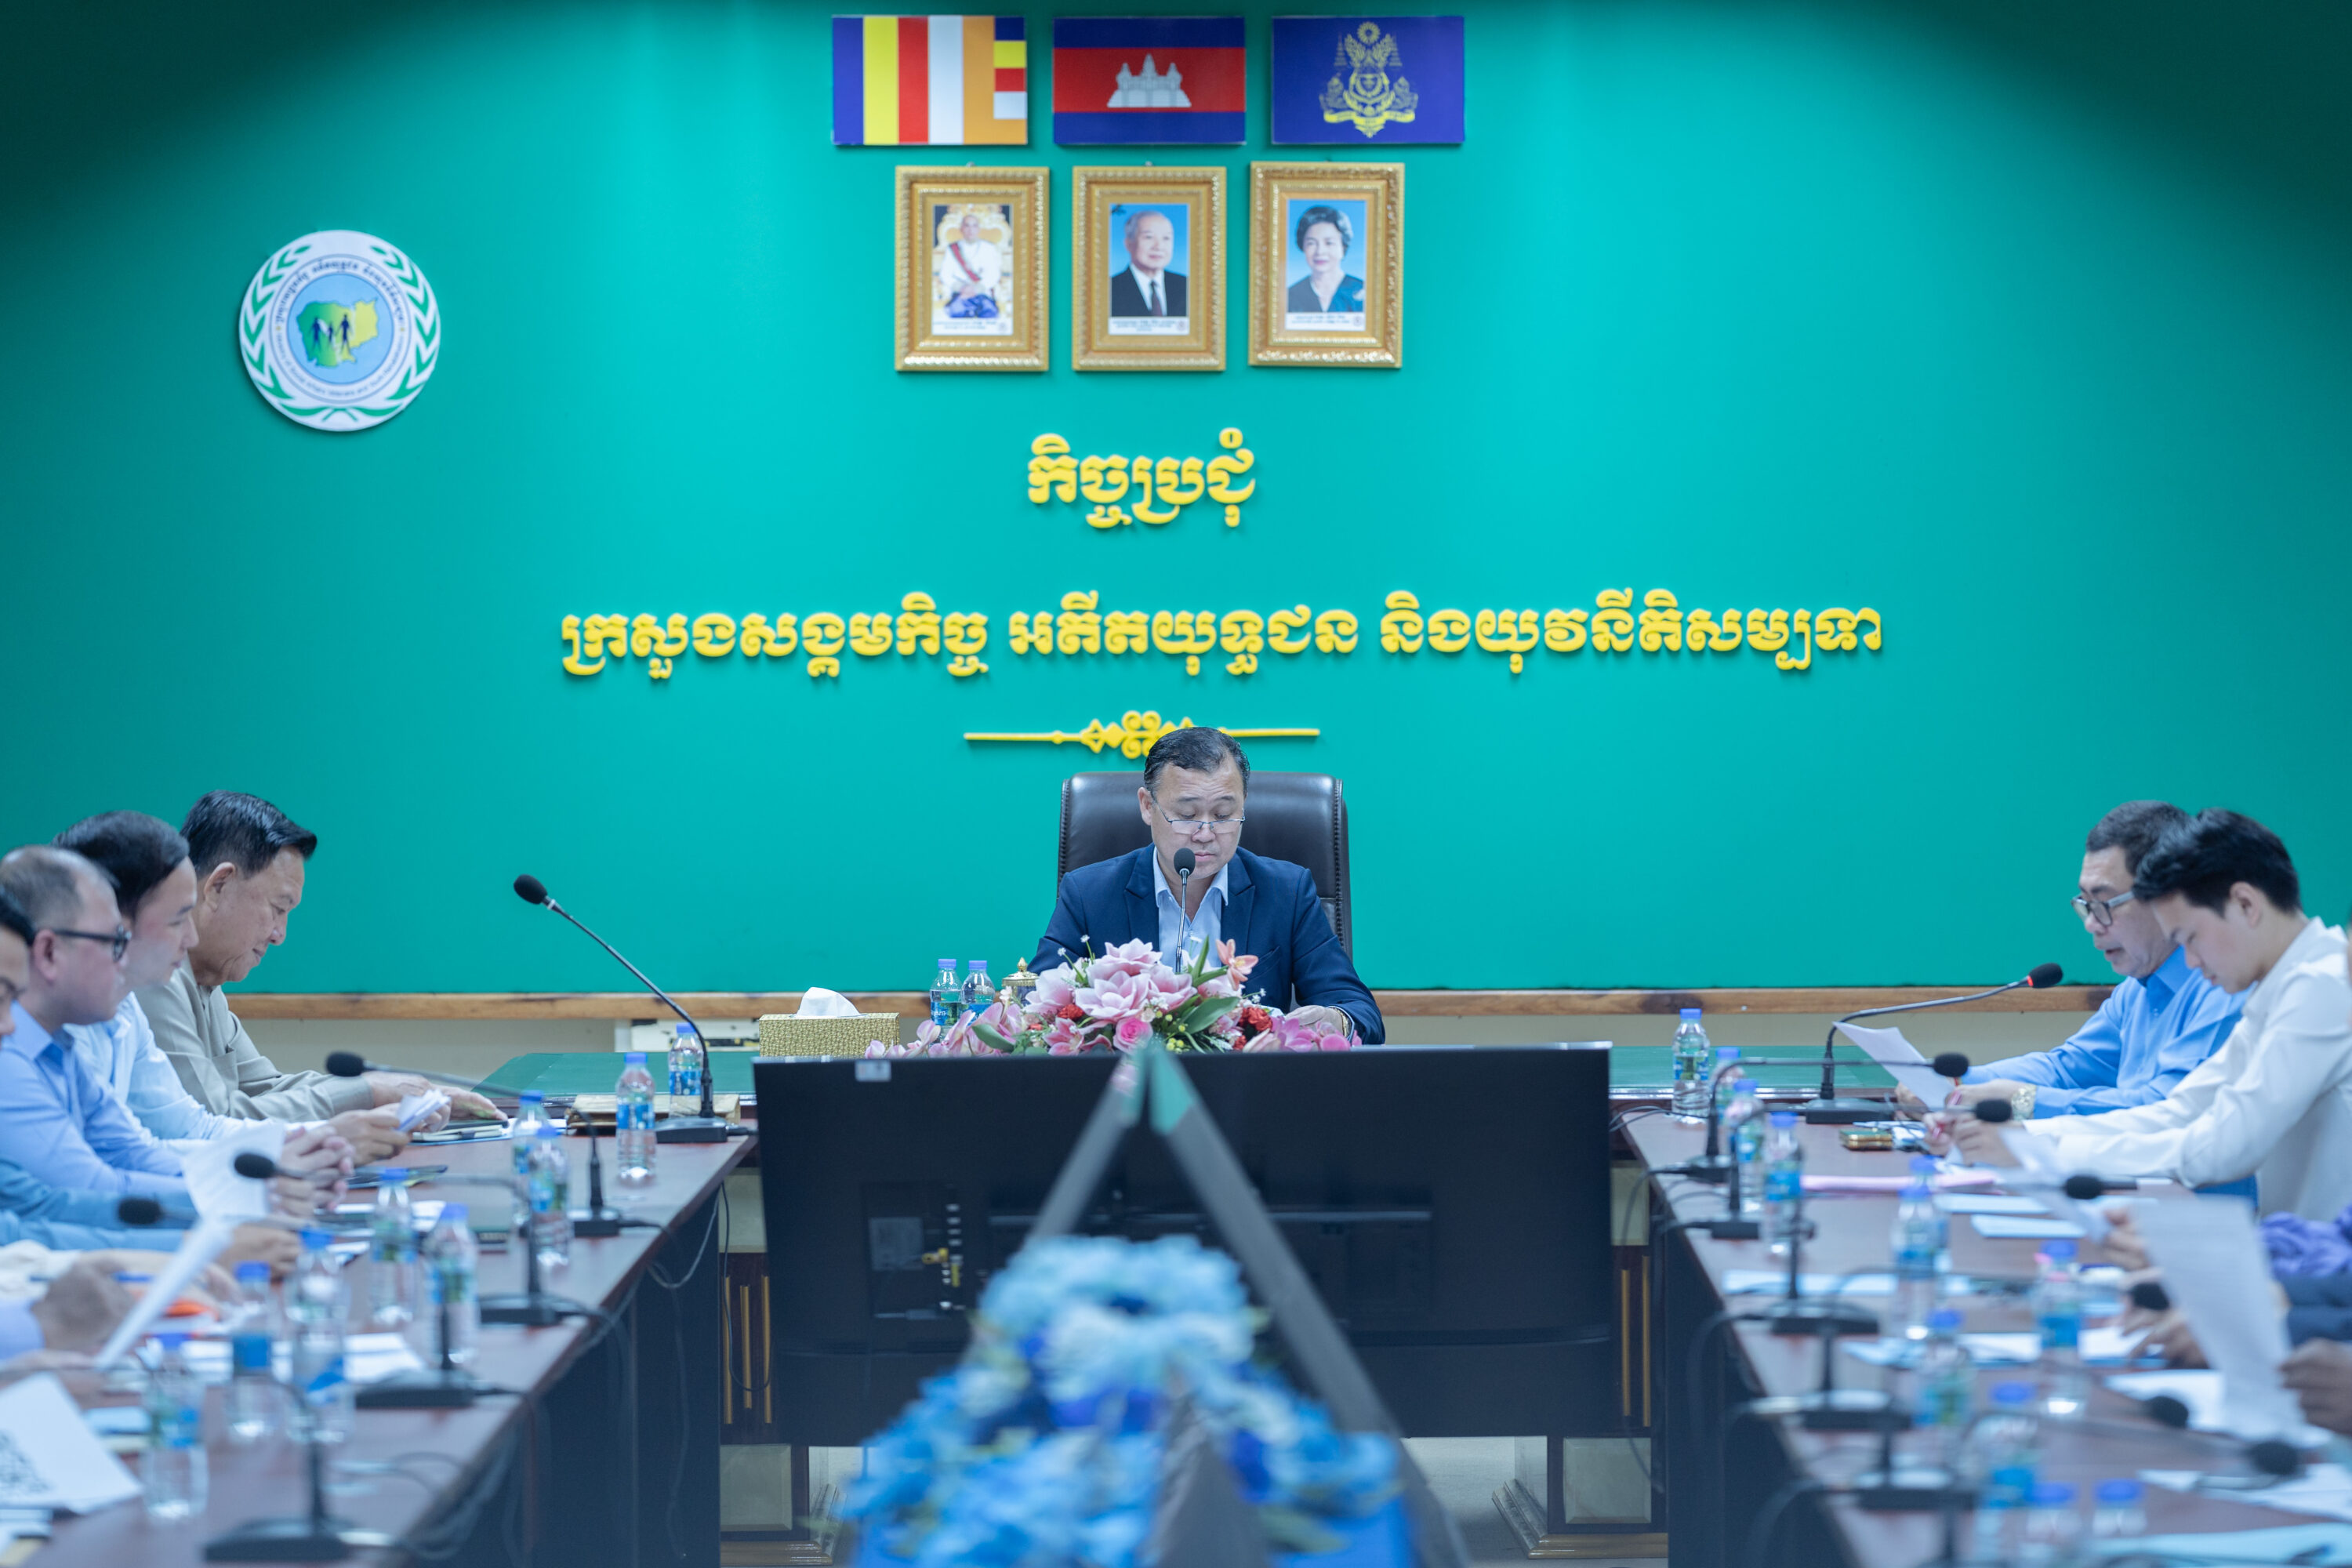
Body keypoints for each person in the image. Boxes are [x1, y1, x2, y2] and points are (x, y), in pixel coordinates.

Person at [1951, 810, 2352, 1219]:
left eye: (2191, 938)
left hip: (2317, 1255)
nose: (2190, 962)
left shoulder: (2322, 986)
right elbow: (2178, 1113)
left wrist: (2038, 1149)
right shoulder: (2280, 990)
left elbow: (2221, 1150)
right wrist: (2028, 1138)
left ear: (2245, 905)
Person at [137, 793, 492, 1163]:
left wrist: (399, 1091)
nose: (280, 935)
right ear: (219, 885)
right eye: (278, 909)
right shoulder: (155, 975)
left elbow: (265, 1088)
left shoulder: (208, 979)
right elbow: (215, 1120)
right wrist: (369, 1092)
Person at [0, 886, 301, 1269]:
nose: (190, 940)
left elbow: (43, 1201)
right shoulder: (14, 1056)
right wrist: (194, 1248)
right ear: (48, 952)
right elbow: (71, 1196)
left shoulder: (62, 1043)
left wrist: (244, 1198)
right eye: (114, 941)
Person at [1031, 728, 1384, 1042]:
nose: (1205, 834)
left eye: (1223, 814)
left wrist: (1335, 1021)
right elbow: (1036, 1008)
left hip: (1249, 1087)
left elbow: (1359, 1011)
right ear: (1147, 807)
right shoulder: (1088, 894)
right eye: (1186, 815)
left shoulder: (1287, 892)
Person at [1904, 802, 2240, 1120]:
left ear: (2167, 896)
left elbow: (2164, 1112)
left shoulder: (2224, 987)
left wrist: (2023, 1101)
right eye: (2086, 905)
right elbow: (2067, 1069)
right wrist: (1956, 1082)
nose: (2091, 924)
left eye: (2105, 904)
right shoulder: (2136, 989)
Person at [1285, 205, 1364, 317]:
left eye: (1329, 243)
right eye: (1311, 243)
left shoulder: (1364, 291)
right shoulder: (1290, 295)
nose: (1320, 251)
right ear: (1303, 246)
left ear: (1343, 247)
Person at [1108, 209, 1187, 320]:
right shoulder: (1110, 289)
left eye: (1166, 238)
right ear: (1128, 244)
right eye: (1149, 237)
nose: (1159, 246)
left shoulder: (1186, 286)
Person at [938, 212, 1003, 321]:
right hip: (961, 294)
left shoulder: (989, 248)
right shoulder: (952, 249)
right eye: (967, 226)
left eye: (974, 226)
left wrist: (976, 289)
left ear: (979, 229)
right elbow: (945, 274)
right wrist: (963, 288)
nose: (970, 230)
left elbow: (994, 274)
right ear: (961, 229)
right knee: (956, 311)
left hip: (982, 293)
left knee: (990, 312)